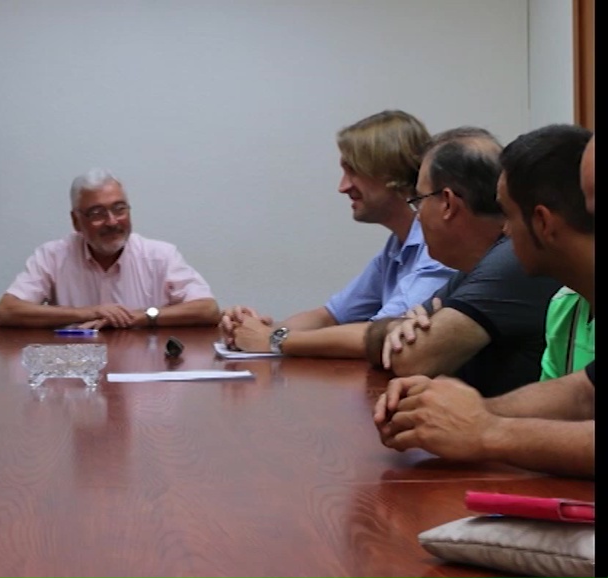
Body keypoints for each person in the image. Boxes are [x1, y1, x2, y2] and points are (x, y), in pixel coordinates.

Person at [373, 125, 594, 478]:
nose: (503, 231)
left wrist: (487, 431)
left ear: (542, 223)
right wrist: (458, 409)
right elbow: (583, 394)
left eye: (507, 215)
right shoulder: (565, 302)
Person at [220, 110, 454, 357]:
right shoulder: (397, 246)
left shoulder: (438, 247)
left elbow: (380, 334)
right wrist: (252, 329)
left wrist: (274, 339)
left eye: (353, 170)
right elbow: (330, 316)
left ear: (390, 172)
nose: (343, 187)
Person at [365, 127, 562, 397]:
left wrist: (412, 331)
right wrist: (394, 326)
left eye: (418, 201)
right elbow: (376, 339)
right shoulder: (477, 265)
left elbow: (412, 360)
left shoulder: (511, 261)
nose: (418, 217)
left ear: (447, 203)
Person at [0, 168, 220, 329]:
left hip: (145, 372)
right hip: (78, 374)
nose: (112, 221)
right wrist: (89, 312)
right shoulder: (52, 256)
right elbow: (6, 312)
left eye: (119, 209)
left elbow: (208, 309)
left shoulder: (160, 255)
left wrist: (141, 316)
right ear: (76, 221)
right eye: (97, 214)